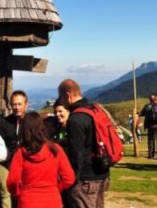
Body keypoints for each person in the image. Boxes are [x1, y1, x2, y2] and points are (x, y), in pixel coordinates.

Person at [58, 79, 110, 208]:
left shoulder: (75, 119)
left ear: (67, 94)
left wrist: (72, 180)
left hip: (85, 179)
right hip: (102, 174)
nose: (61, 101)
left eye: (61, 97)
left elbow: (76, 154)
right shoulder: (94, 110)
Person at [6, 112, 75, 208]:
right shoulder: (55, 149)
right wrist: (55, 188)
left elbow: (12, 182)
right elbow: (69, 178)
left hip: (28, 201)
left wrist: (19, 194)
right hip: (52, 201)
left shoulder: (21, 154)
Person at [0, 90, 29, 208]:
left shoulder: (31, 122)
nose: (17, 107)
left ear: (26, 104)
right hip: (7, 163)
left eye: (20, 104)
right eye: (14, 104)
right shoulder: (4, 123)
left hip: (27, 164)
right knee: (6, 195)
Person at [141, 95, 157, 160]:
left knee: (151, 140)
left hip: (151, 126)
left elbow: (142, 113)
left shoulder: (147, 106)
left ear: (150, 100)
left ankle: (151, 155)